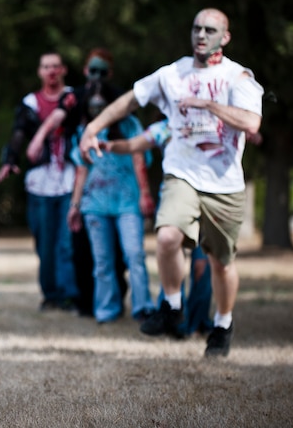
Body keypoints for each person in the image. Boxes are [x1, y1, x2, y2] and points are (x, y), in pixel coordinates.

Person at [79, 8, 263, 357]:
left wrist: (208, 104)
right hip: (182, 173)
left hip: (224, 183)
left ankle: (223, 324)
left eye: (210, 30)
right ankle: (172, 306)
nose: (201, 35)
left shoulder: (238, 77)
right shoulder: (171, 74)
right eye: (196, 28)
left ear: (225, 37)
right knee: (166, 236)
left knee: (221, 263)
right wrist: (92, 128)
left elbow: (251, 122)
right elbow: (130, 101)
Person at [26, 49, 142, 316]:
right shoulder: (74, 97)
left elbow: (135, 144)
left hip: (118, 189)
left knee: (117, 254)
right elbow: (56, 118)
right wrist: (37, 139)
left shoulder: (118, 99)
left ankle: (121, 303)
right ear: (84, 71)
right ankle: (87, 302)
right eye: (93, 70)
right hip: (84, 184)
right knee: (83, 251)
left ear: (109, 74)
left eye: (102, 72)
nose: (97, 76)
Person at [103, 119, 213, 336]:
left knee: (202, 264)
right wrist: (111, 145)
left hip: (209, 198)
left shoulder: (211, 122)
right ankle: (174, 318)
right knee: (171, 250)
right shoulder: (165, 127)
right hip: (174, 198)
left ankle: (199, 320)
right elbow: (135, 145)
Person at [61, 76, 155, 324]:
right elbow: (81, 171)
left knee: (134, 255)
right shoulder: (85, 131)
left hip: (127, 202)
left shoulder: (130, 125)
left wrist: (145, 194)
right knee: (102, 262)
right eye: (92, 105)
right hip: (95, 204)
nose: (97, 109)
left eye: (101, 104)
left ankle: (143, 308)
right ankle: (106, 310)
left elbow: (139, 160)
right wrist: (75, 205)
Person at [0, 52, 78, 312]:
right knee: (45, 239)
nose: (51, 71)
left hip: (69, 178)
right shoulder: (31, 103)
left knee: (67, 241)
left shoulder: (74, 98)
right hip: (40, 181)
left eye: (55, 66)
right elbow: (18, 132)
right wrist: (10, 160)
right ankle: (50, 294)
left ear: (63, 69)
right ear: (39, 72)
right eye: (46, 67)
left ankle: (69, 294)